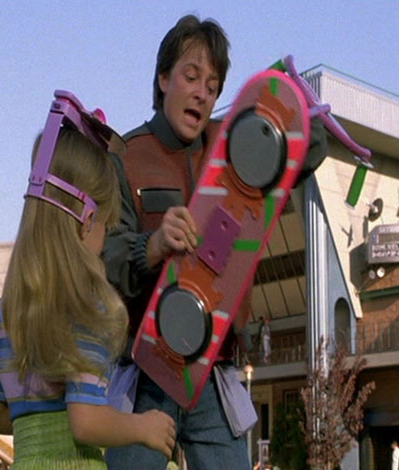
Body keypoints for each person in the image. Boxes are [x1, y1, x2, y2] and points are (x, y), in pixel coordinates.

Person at [103, 14, 327, 470]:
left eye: (214, 85)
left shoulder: (233, 143)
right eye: (191, 77)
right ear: (163, 79)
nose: (203, 93)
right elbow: (106, 260)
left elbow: (313, 147)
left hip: (214, 369)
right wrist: (152, 245)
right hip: (147, 371)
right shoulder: (125, 157)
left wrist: (290, 102)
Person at [0, 122, 176, 469]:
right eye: (106, 226)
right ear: (87, 222)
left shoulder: (5, 311)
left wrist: (40, 427)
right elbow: (85, 422)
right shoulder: (86, 306)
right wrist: (143, 427)